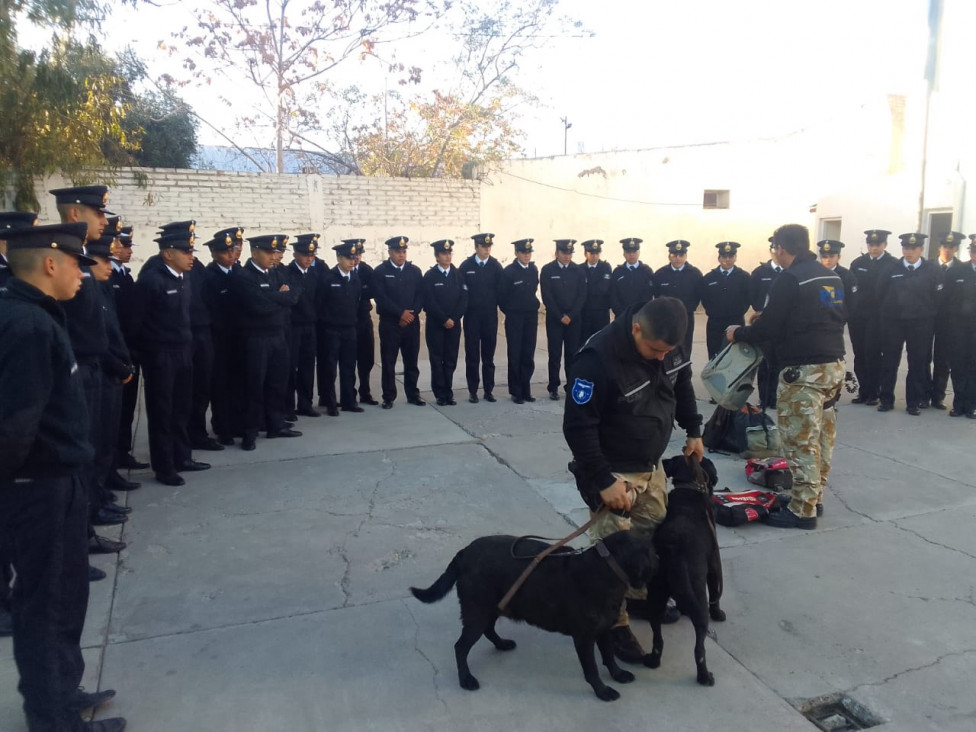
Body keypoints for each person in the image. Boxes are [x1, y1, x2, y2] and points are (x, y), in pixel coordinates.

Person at [0, 221, 126, 732]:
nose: (85, 272)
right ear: (50, 264)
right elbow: (14, 428)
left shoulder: (35, 314)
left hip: (57, 481)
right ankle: (54, 720)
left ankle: (62, 694)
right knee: (48, 604)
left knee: (66, 595)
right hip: (41, 488)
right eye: (76, 263)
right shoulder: (26, 325)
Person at [563, 296, 703, 663]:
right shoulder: (596, 359)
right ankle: (612, 623)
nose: (661, 357)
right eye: (654, 349)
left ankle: (638, 598)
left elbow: (682, 383)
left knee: (651, 529)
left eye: (667, 351)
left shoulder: (670, 341)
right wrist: (602, 479)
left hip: (649, 463)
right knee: (612, 549)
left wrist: (693, 429)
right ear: (636, 328)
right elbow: (578, 426)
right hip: (612, 469)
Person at [728, 224, 846, 529]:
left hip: (803, 372)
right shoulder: (830, 275)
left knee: (799, 442)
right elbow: (825, 316)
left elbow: (770, 330)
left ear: (781, 248)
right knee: (821, 439)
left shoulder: (789, 279)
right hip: (832, 367)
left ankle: (801, 511)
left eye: (775, 248)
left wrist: (738, 332)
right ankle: (811, 498)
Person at [132, 222, 212, 485]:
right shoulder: (151, 281)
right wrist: (148, 354)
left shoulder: (184, 279)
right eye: (185, 252)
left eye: (191, 251)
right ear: (168, 254)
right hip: (160, 355)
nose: (191, 257)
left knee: (182, 408)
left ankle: (183, 457)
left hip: (183, 351)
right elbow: (137, 323)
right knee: (162, 411)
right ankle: (165, 466)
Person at [231, 234, 303, 449]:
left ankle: (276, 424)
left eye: (275, 253)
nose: (273, 257)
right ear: (254, 253)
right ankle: (250, 431)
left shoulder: (276, 273)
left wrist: (275, 297)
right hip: (257, 338)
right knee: (254, 386)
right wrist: (280, 298)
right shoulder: (244, 276)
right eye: (268, 252)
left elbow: (295, 294)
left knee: (277, 382)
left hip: (278, 335)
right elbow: (259, 308)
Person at [877, 233, 943, 415]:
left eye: (913, 248)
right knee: (890, 360)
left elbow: (937, 296)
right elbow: (880, 293)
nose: (909, 252)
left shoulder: (931, 269)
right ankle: (886, 399)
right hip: (893, 322)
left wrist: (927, 313)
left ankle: (913, 402)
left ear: (921, 249)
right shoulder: (891, 268)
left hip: (920, 323)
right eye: (906, 248)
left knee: (918, 363)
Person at [364, 236, 426, 409]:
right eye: (398, 252)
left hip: (411, 323)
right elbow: (381, 298)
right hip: (391, 324)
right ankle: (389, 397)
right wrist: (400, 313)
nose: (401, 255)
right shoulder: (380, 272)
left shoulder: (414, 271)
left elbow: (420, 295)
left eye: (404, 251)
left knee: (411, 362)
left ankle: (413, 394)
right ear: (390, 252)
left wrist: (412, 313)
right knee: (389, 361)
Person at [110, 225, 150, 470]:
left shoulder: (124, 274)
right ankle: (113, 460)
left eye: (129, 245)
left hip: (129, 352)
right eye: (123, 244)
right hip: (114, 353)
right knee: (113, 414)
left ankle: (122, 453)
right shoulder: (107, 276)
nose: (128, 249)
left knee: (127, 410)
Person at [203, 228, 244, 445]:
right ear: (214, 254)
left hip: (239, 336)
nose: (232, 254)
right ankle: (222, 426)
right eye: (226, 251)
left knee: (238, 382)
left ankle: (236, 422)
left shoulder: (239, 272)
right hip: (218, 338)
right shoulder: (209, 276)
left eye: (233, 250)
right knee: (220, 384)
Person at [848, 229, 896, 405]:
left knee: (872, 353)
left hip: (878, 316)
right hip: (858, 316)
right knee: (859, 353)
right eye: (871, 244)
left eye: (878, 244)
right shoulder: (858, 263)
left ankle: (875, 391)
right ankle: (864, 390)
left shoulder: (892, 264)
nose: (874, 248)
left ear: (885, 245)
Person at [316, 239, 363, 415]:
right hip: (331, 330)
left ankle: (348, 401)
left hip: (350, 329)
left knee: (349, 366)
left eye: (354, 257)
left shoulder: (355, 278)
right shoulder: (328, 278)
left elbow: (356, 302)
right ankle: (330, 403)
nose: (352, 261)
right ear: (338, 258)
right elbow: (319, 303)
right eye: (348, 258)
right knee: (330, 368)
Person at [423, 239, 468, 406]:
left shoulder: (458, 275)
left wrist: (454, 319)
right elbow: (429, 301)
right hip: (436, 325)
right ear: (436, 256)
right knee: (437, 359)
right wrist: (444, 319)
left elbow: (464, 299)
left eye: (449, 253)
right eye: (444, 253)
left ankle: (448, 391)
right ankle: (439, 393)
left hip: (454, 325)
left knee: (450, 359)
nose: (448, 256)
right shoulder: (430, 276)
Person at [540, 238, 585, 400]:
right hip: (555, 319)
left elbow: (582, 295)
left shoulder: (578, 270)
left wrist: (571, 315)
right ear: (557, 253)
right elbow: (547, 296)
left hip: (574, 320)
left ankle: (571, 385)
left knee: (572, 355)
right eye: (564, 253)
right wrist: (560, 316)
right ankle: (553, 387)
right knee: (555, 354)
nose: (567, 256)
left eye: (569, 253)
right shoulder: (547, 270)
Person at [460, 232, 502, 403]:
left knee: (488, 356)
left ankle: (488, 390)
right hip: (472, 317)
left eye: (489, 246)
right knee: (472, 356)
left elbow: (501, 290)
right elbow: (462, 292)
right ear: (476, 247)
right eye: (483, 247)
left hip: (490, 317)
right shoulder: (466, 266)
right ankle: (472, 390)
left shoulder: (495, 266)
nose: (487, 250)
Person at [499, 238, 540, 404]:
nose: (526, 255)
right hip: (515, 317)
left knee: (528, 353)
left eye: (529, 252)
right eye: (523, 252)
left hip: (530, 316)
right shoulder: (509, 272)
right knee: (515, 354)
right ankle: (516, 391)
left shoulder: (533, 270)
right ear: (516, 253)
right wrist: (511, 311)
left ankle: (526, 388)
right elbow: (501, 297)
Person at [285, 234, 321, 418]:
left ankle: (305, 404)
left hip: (310, 326)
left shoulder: (314, 273)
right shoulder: (287, 273)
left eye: (312, 255)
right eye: (305, 255)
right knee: (290, 367)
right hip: (293, 327)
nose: (309, 258)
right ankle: (288, 407)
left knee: (308, 366)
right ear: (295, 255)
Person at [699, 241, 751, 360]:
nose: (727, 260)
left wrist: (738, 311)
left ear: (735, 258)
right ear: (719, 258)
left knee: (735, 356)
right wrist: (714, 311)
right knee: (714, 355)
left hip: (736, 321)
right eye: (724, 256)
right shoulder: (709, 278)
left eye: (731, 256)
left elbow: (747, 298)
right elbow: (705, 298)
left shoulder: (744, 277)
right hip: (715, 323)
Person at [931, 231, 965, 410]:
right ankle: (921, 395)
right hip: (927, 319)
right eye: (945, 246)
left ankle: (937, 396)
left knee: (942, 360)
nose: (948, 250)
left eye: (952, 247)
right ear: (940, 247)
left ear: (956, 249)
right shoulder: (928, 266)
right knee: (921, 358)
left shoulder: (961, 268)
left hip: (949, 321)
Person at [749, 238, 783, 409]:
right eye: (774, 250)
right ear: (771, 251)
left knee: (779, 363)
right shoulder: (760, 272)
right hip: (763, 323)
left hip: (783, 325)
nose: (777, 253)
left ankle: (775, 398)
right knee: (764, 363)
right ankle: (764, 398)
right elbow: (752, 294)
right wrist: (759, 311)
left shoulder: (790, 273)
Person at [654, 239, 703, 357]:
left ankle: (684, 373)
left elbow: (698, 295)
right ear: (669, 256)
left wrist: (687, 309)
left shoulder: (694, 274)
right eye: (674, 255)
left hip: (686, 317)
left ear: (685, 256)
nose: (677, 258)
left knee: (685, 349)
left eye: (681, 255)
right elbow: (657, 295)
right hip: (666, 318)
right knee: (666, 349)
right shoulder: (660, 274)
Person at [945, 236, 976, 418]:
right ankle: (958, 403)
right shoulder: (957, 271)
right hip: (959, 327)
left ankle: (972, 404)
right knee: (958, 365)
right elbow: (947, 299)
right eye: (973, 251)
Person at [350, 242, 379, 406]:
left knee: (366, 358)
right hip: (348, 319)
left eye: (359, 255)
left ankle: (365, 391)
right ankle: (350, 394)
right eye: (353, 256)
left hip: (363, 317)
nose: (356, 259)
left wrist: (358, 293)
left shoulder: (366, 270)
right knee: (349, 359)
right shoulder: (342, 271)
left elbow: (374, 290)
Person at [610, 237, 655, 317]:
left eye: (634, 251)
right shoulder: (618, 272)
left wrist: (641, 313)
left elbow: (649, 295)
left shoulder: (646, 271)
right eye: (628, 252)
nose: (631, 255)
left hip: (641, 316)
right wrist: (621, 313)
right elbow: (613, 296)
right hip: (622, 316)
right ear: (624, 253)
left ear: (639, 252)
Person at [580, 239, 612, 342]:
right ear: (586, 254)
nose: (594, 256)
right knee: (584, 342)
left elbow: (604, 288)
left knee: (601, 341)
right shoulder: (580, 269)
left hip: (601, 312)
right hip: (585, 312)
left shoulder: (605, 267)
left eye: (597, 253)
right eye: (591, 253)